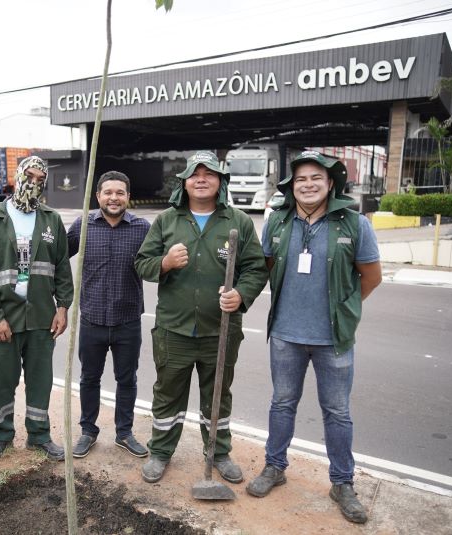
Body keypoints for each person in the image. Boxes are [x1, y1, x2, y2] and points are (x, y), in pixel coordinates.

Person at [246, 151, 382, 525]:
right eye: (301, 179)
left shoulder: (354, 224)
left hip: (333, 339)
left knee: (337, 412)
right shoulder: (277, 221)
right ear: (292, 186)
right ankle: (275, 467)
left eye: (315, 178)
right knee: (282, 404)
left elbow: (371, 277)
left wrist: (344, 309)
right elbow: (265, 269)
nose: (307, 185)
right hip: (286, 335)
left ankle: (342, 483)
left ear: (330, 184)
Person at [134, 150, 268, 484]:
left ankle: (218, 453)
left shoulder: (237, 221)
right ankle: (161, 453)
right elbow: (141, 263)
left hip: (220, 330)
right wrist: (163, 263)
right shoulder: (167, 220)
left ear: (220, 181)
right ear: (185, 182)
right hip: (174, 329)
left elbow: (255, 268)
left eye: (210, 174)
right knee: (168, 394)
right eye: (195, 174)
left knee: (218, 395)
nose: (202, 179)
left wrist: (241, 295)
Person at [0, 155, 74, 461]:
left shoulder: (51, 219)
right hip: (6, 317)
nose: (33, 183)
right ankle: (2, 435)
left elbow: (60, 266)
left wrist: (63, 307)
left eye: (39, 179)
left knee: (40, 379)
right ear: (17, 177)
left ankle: (39, 435)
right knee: (3, 380)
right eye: (28, 176)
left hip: (43, 317)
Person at [66, 171, 151, 458]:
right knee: (89, 378)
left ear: (128, 197)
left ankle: (124, 433)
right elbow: (56, 257)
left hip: (128, 320)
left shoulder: (142, 228)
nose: (114, 198)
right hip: (91, 319)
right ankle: (88, 431)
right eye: (108, 192)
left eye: (120, 193)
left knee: (127, 380)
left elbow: (158, 264)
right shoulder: (83, 226)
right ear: (98, 196)